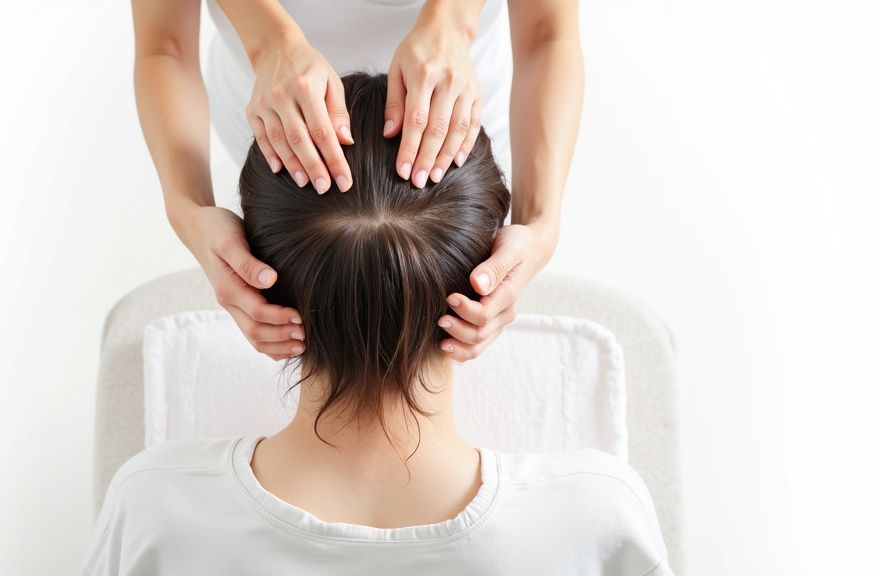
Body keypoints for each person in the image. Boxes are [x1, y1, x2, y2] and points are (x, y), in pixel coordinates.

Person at [81, 72, 674, 575]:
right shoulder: (593, 515)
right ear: (489, 273)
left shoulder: (157, 507)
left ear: (257, 272)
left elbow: (163, 45)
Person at [130, 0, 579, 363]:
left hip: (450, 147)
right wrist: (190, 208)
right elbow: (164, 44)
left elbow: (547, 31)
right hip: (284, 147)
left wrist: (540, 223)